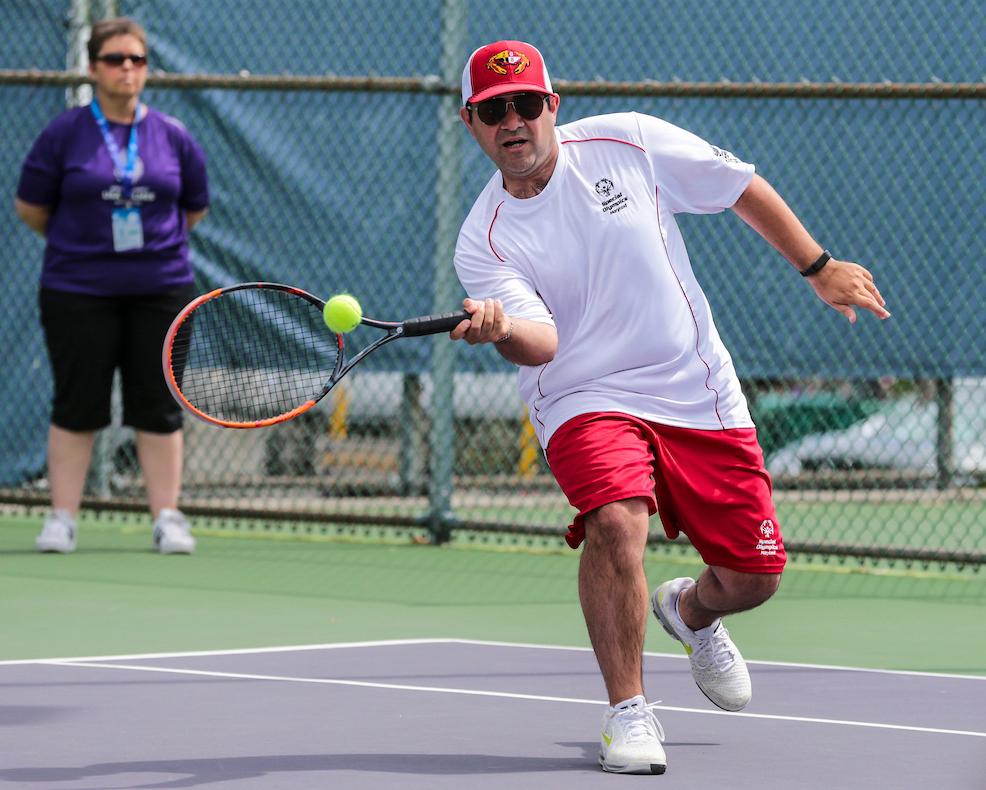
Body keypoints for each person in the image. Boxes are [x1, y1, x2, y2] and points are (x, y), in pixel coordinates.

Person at [450, 40, 889, 775]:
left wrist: (817, 267)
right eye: (495, 111)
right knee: (616, 520)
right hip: (584, 396)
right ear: (472, 123)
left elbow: (738, 185)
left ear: (553, 107)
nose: (513, 121)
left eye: (526, 103)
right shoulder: (484, 238)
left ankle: (691, 613)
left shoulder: (630, 142)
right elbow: (543, 341)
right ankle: (628, 713)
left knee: (755, 579)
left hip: (694, 385)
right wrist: (501, 331)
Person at [14, 17, 209, 555]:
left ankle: (168, 518)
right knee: (77, 404)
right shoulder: (64, 132)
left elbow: (192, 208)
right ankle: (61, 519)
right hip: (77, 289)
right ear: (93, 68)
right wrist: (83, 244)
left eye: (137, 60)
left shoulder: (172, 134)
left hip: (161, 289)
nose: (127, 69)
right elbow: (31, 207)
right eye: (115, 59)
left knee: (159, 404)